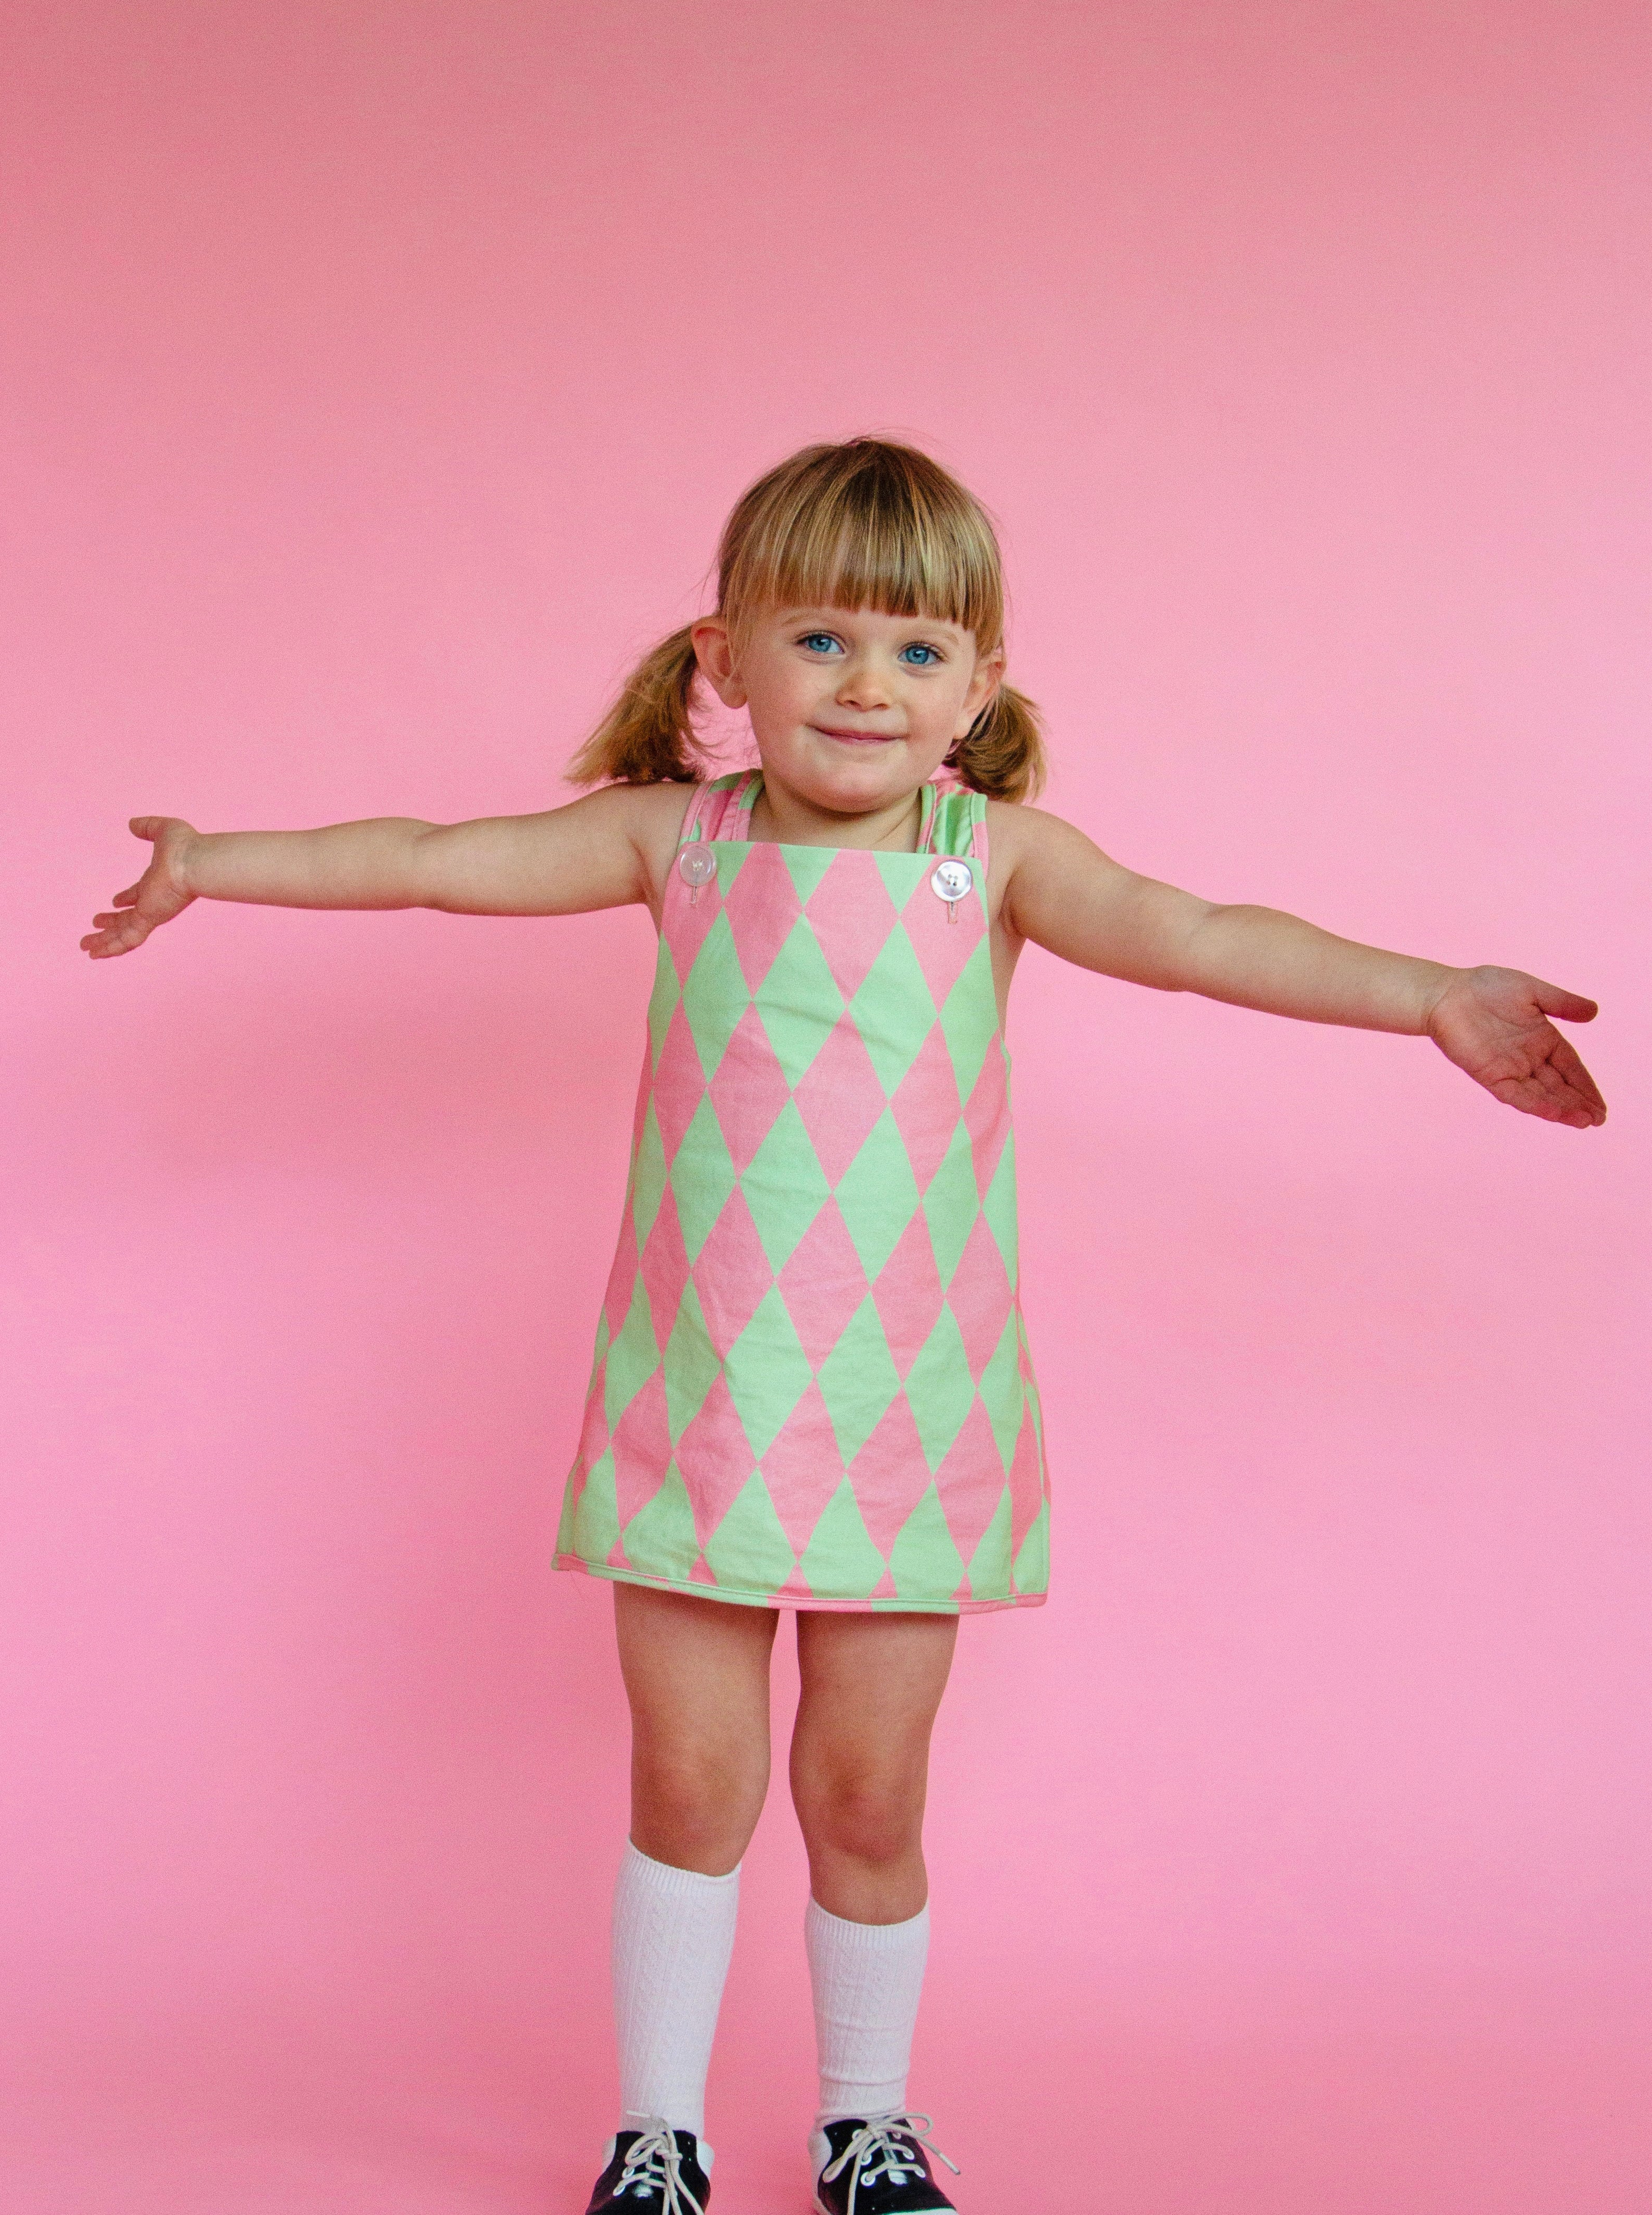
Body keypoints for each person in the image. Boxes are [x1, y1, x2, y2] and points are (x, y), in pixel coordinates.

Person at [82, 437, 1606, 2215]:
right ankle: (656, 2128)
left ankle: (865, 2120)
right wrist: (217, 858)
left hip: (911, 1416)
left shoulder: (997, 859)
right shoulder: (681, 841)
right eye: (818, 644)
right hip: (704, 1405)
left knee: (869, 1797)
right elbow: (430, 855)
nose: (866, 686)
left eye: (913, 651)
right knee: (691, 1782)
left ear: (979, 684)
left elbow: (1202, 936)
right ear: (723, 661)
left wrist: (1428, 993)